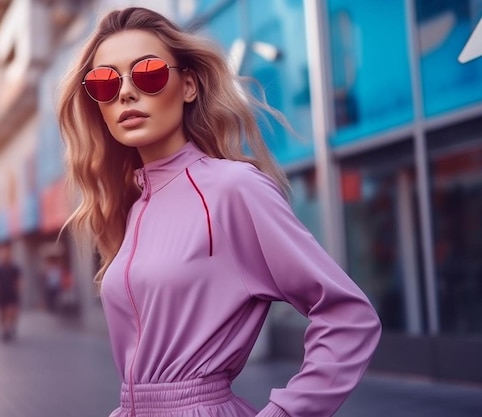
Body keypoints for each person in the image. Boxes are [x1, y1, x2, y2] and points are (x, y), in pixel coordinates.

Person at [57, 7, 382, 417]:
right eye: (104, 82)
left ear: (188, 85)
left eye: (148, 74)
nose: (125, 92)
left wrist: (286, 412)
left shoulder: (233, 189)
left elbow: (348, 315)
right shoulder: (135, 205)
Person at [0, 244, 21, 342]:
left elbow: (19, 280)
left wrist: (18, 289)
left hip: (11, 293)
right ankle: (4, 328)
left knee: (11, 311)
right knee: (2, 313)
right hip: (1, 293)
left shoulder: (14, 268)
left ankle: (9, 327)